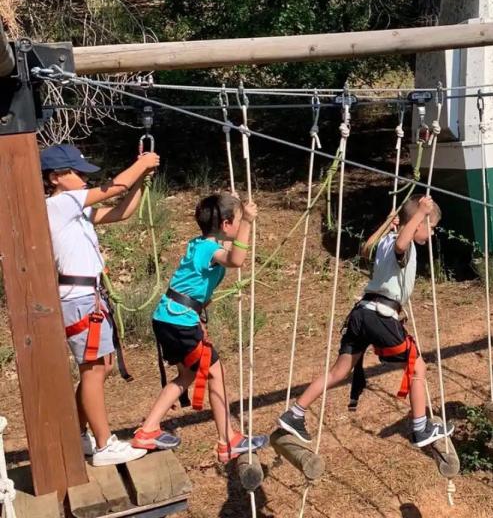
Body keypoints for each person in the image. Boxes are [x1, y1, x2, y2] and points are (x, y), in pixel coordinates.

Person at [276, 195, 454, 448]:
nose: (432, 233)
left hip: (361, 312)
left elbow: (380, 246)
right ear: (417, 223)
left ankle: (295, 413)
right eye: (431, 226)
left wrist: (403, 220)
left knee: (339, 371)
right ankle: (420, 428)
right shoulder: (403, 244)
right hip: (378, 314)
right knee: (417, 366)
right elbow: (403, 245)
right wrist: (420, 214)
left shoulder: (383, 240)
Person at [132, 193, 269, 463]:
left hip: (171, 317)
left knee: (188, 375)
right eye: (237, 221)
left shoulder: (201, 243)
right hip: (179, 320)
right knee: (215, 373)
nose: (240, 223)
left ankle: (148, 430)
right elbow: (236, 260)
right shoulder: (209, 249)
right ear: (228, 224)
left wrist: (234, 203)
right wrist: (248, 223)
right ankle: (227, 440)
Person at [43, 143, 155, 466]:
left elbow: (121, 211)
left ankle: (79, 434)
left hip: (88, 297)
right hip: (78, 299)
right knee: (93, 370)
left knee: (100, 367)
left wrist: (141, 179)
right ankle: (104, 445)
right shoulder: (60, 204)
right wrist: (142, 164)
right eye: (76, 173)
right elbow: (113, 187)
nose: (82, 178)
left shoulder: (72, 208)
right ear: (56, 178)